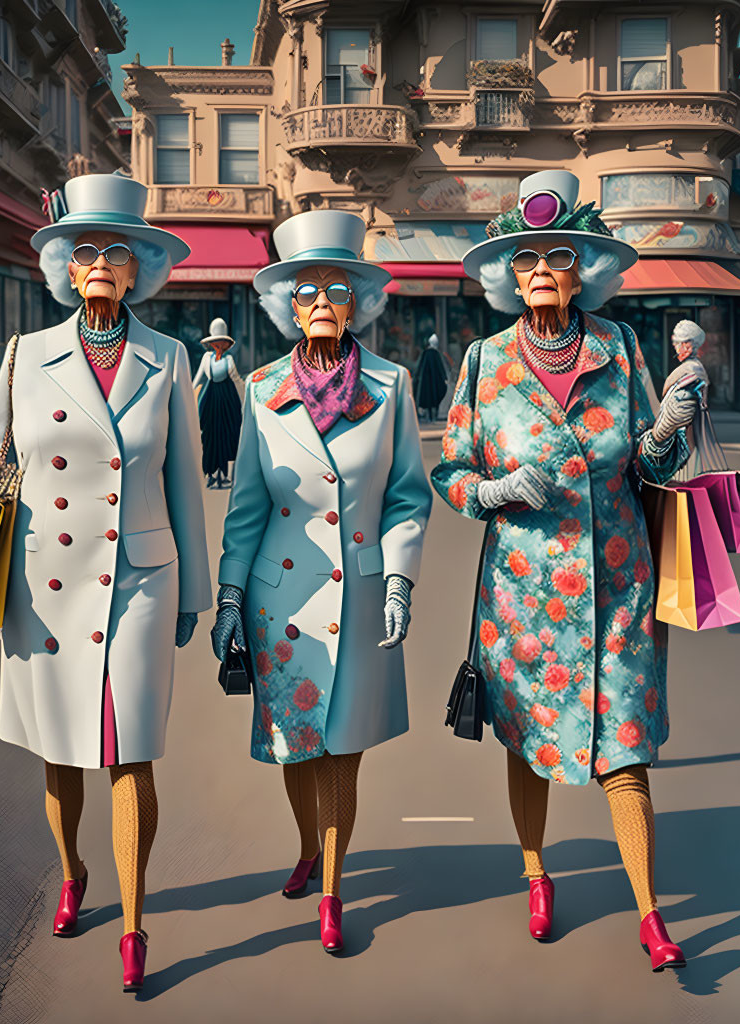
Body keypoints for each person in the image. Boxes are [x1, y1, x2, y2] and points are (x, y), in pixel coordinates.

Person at [0, 174, 211, 992]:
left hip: (142, 583)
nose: (100, 265)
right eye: (85, 251)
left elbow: (184, 479)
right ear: (64, 265)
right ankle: (73, 869)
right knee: (61, 758)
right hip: (44, 583)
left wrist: (196, 592)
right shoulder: (24, 356)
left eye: (116, 250)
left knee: (131, 754)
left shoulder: (170, 358)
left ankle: (135, 919)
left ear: (139, 265)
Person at [432, 170, 700, 972]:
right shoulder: (483, 361)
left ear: (584, 266)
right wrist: (493, 488)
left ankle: (651, 915)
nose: (540, 270)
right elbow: (449, 473)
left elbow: (652, 466)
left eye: (555, 255)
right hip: (521, 598)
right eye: (524, 260)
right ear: (507, 278)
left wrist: (667, 427)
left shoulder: (619, 348)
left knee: (627, 752)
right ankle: (536, 870)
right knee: (530, 746)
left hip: (619, 590)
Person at [210, 210, 432, 955]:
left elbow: (406, 493)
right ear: (287, 307)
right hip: (282, 604)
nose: (323, 303)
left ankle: (333, 887)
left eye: (337, 288)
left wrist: (400, 581)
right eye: (307, 292)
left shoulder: (391, 384)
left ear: (358, 300)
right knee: (294, 744)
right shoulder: (262, 388)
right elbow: (245, 509)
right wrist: (230, 597)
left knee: (342, 749)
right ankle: (307, 844)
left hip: (362, 595)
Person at [192, 317, 244, 488]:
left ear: (225, 344)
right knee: (210, 435)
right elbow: (199, 377)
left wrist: (246, 395)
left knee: (226, 434)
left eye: (221, 343)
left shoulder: (229, 360)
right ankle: (212, 473)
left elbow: (236, 379)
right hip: (211, 398)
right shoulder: (207, 358)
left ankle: (223, 473)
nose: (218, 346)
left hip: (227, 399)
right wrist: (188, 392)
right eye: (215, 343)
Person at [663, 319, 711, 480]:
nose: (675, 348)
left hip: (681, 427)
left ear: (687, 345)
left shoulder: (686, 370)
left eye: (677, 344)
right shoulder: (697, 368)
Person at [413, 332, 449, 421]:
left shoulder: (426, 354)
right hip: (434, 381)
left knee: (429, 397)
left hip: (426, 381)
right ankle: (433, 416)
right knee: (434, 397)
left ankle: (430, 416)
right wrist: (444, 377)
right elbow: (440, 367)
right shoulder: (435, 354)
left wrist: (417, 376)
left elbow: (420, 367)